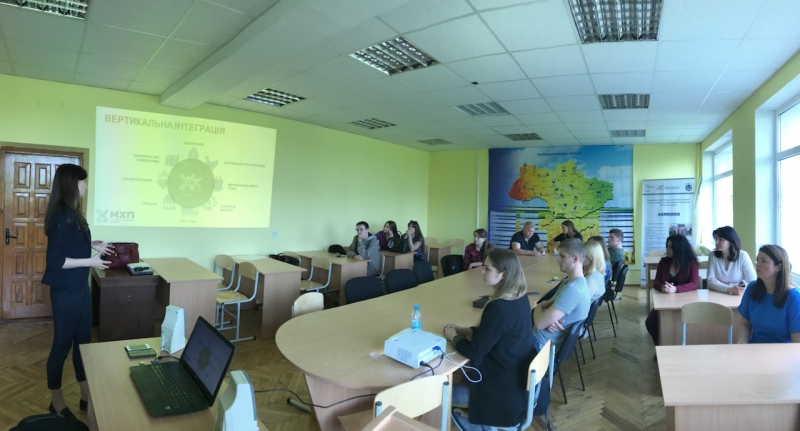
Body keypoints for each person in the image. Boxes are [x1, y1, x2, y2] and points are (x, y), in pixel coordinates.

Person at [43, 164, 114, 417]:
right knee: (61, 346)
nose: (86, 186)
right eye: (83, 182)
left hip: (80, 290)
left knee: (83, 344)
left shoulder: (73, 214)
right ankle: (57, 401)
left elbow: (72, 243)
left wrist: (93, 244)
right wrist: (90, 261)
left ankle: (85, 395)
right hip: (65, 293)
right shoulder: (60, 216)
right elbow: (55, 261)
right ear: (72, 184)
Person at [443, 249, 535, 429]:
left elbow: (474, 352)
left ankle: (479, 423)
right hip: (515, 382)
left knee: (438, 394)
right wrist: (464, 330)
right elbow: (494, 332)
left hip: (498, 392)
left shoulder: (498, 308)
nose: (482, 272)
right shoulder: (520, 297)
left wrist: (453, 337)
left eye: (487, 268)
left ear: (503, 274)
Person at [532, 238, 590, 351]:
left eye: (562, 256)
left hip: (539, 347)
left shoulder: (573, 290)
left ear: (575, 258)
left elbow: (539, 323)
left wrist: (538, 306)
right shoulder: (568, 282)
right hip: (540, 340)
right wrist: (548, 318)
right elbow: (549, 304)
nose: (558, 260)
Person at [645, 235, 699, 350]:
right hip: (665, 301)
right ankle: (660, 347)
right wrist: (662, 287)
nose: (667, 249)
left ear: (679, 248)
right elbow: (656, 282)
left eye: (671, 247)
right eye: (667, 246)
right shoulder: (663, 262)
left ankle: (676, 348)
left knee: (679, 325)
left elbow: (694, 284)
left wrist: (676, 289)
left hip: (685, 301)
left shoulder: (691, 262)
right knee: (650, 322)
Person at [737, 245, 800, 343]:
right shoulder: (752, 288)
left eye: (764, 261)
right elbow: (745, 324)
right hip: (754, 348)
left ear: (779, 267)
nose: (757, 264)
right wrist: (741, 346)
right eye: (757, 260)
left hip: (782, 351)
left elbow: (797, 341)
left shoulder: (793, 297)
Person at [707, 226, 756, 295]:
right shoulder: (713, 256)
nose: (716, 242)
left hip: (738, 295)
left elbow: (752, 281)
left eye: (721, 239)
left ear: (731, 241)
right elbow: (710, 283)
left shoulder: (743, 256)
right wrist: (729, 289)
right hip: (718, 295)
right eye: (716, 239)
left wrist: (719, 284)